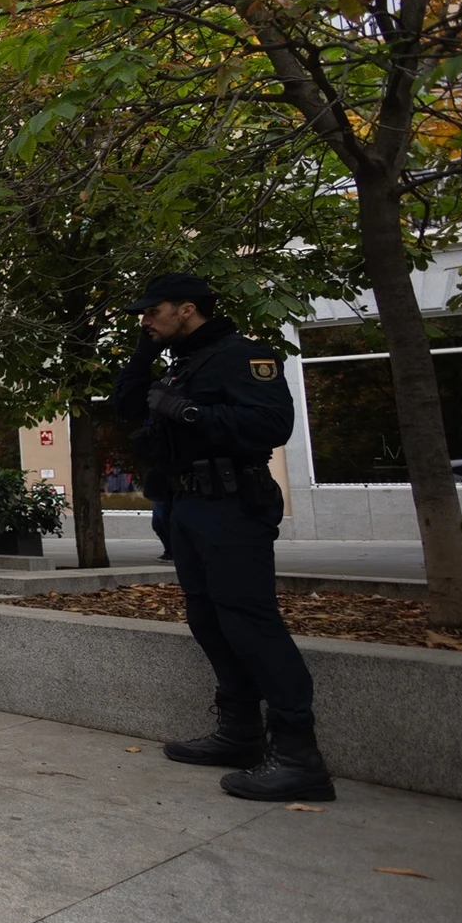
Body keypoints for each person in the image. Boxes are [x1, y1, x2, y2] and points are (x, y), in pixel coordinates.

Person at [113, 272, 331, 802]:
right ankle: (240, 732)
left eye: (151, 311)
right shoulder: (181, 362)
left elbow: (271, 424)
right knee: (207, 618)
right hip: (187, 505)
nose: (144, 319)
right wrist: (144, 352)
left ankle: (300, 756)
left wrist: (188, 411)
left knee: (250, 621)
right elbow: (123, 407)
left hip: (233, 505)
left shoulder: (243, 355)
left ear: (186, 309)